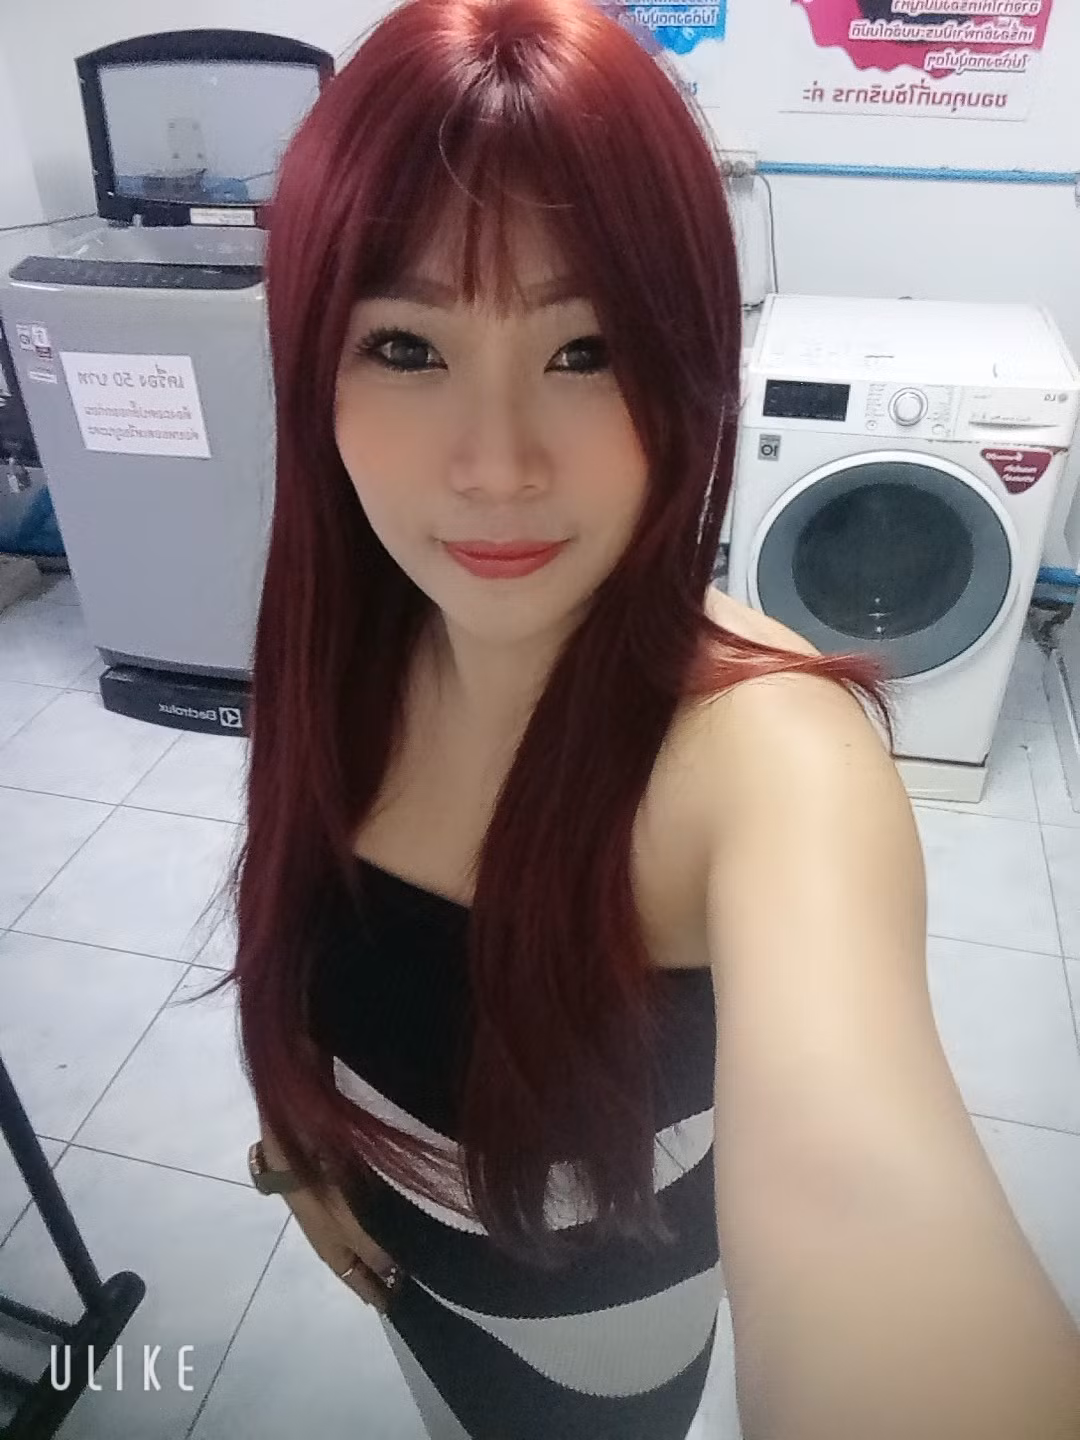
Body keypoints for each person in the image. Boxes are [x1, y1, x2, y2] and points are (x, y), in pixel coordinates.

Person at [194, 0, 1080, 1435]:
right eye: (406, 348)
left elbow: (868, 1203)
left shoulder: (768, 759)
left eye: (587, 350)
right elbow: (302, 935)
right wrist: (297, 1139)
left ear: (687, 365)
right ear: (311, 370)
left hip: (598, 1366)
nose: (496, 467)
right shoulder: (353, 637)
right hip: (399, 1285)